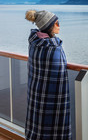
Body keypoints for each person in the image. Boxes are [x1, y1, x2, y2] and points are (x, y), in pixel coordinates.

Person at [25, 10, 71, 140]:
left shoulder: (35, 43)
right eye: (57, 23)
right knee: (55, 124)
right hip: (52, 95)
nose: (59, 26)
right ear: (49, 26)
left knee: (37, 122)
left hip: (36, 91)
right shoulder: (52, 48)